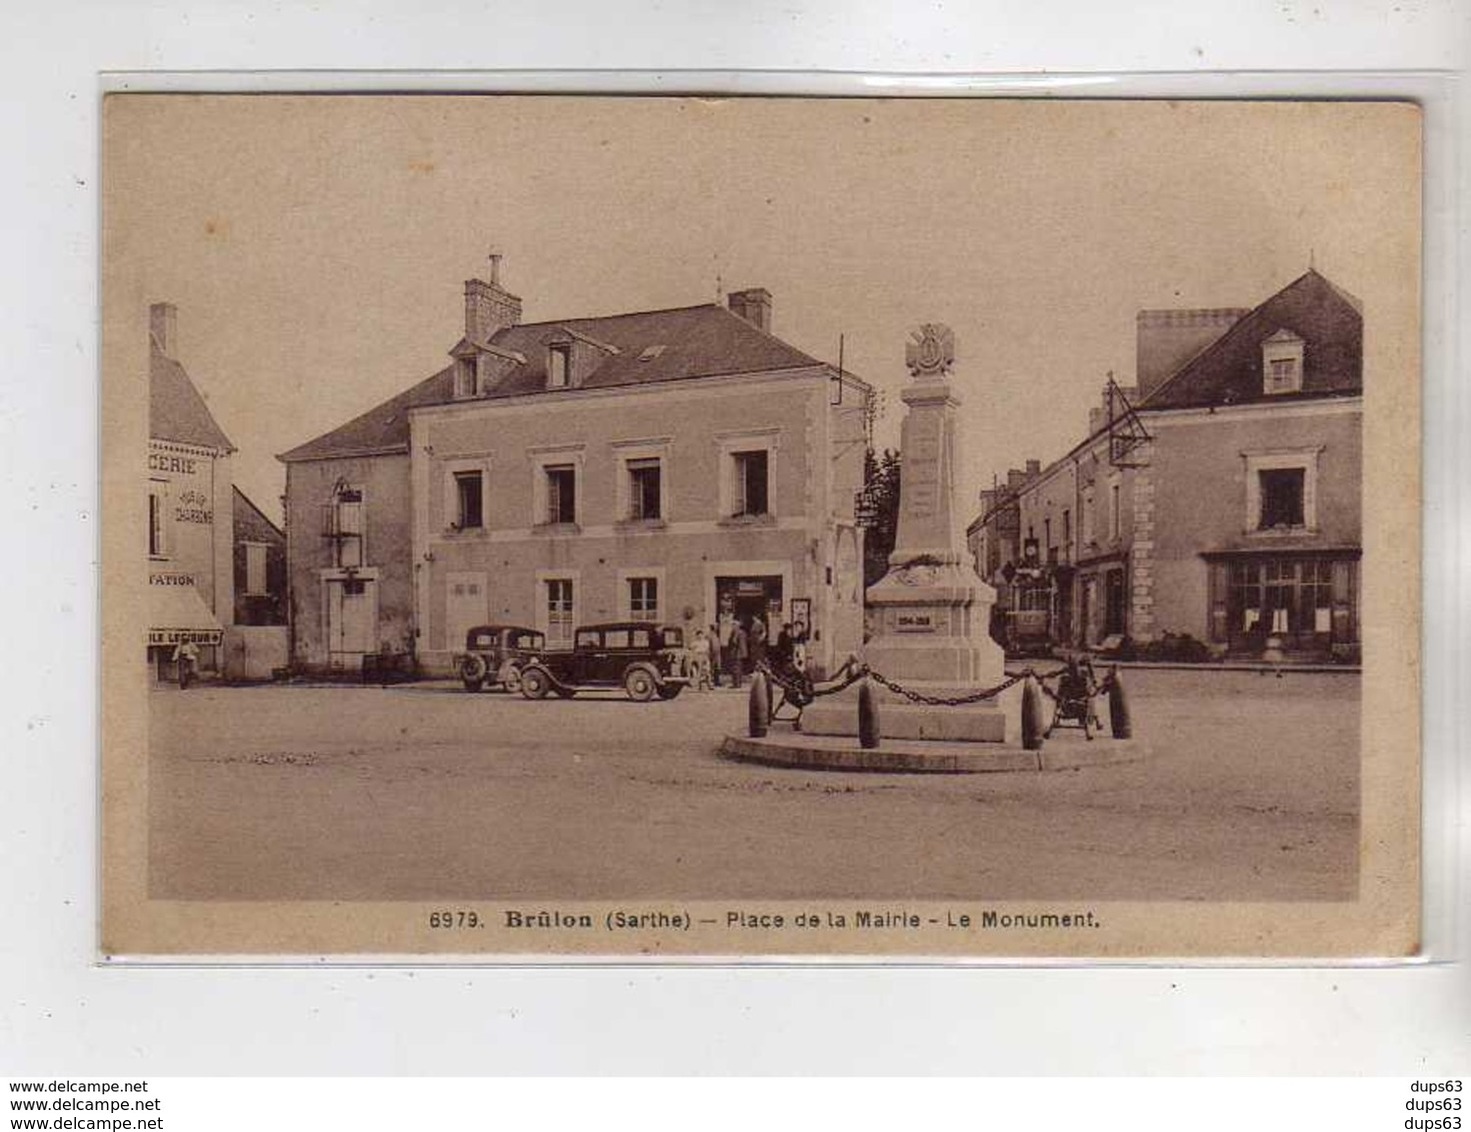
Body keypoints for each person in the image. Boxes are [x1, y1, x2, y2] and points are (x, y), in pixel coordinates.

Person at [728, 620, 748, 689]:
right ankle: (738, 683)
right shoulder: (743, 632)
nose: (732, 626)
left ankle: (736, 684)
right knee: (739, 668)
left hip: (736, 653)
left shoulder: (736, 632)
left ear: (736, 626)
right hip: (740, 653)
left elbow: (734, 642)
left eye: (733, 625)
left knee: (736, 668)